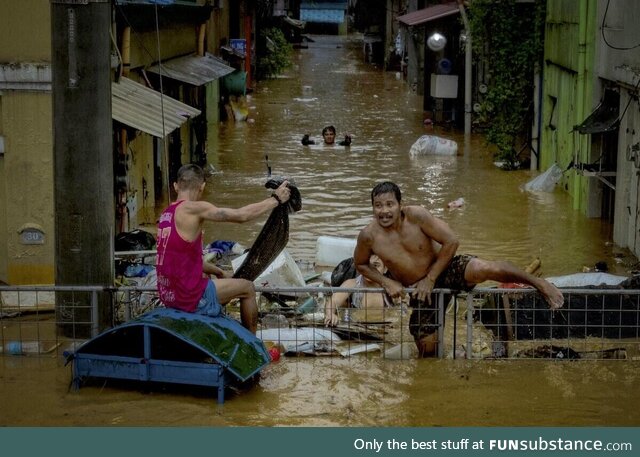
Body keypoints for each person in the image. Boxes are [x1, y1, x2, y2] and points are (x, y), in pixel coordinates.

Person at [353, 181, 565, 357]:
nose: (384, 211)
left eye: (389, 204)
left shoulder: (416, 216)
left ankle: (539, 283)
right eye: (378, 206)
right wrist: (386, 281)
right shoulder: (368, 236)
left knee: (484, 268)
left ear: (400, 204)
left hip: (443, 268)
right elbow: (360, 264)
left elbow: (451, 241)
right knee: (427, 350)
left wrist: (431, 277)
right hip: (420, 290)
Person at [156, 163, 291, 334]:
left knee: (216, 279)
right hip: (188, 297)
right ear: (202, 187)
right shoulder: (194, 209)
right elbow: (241, 216)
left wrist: (219, 272)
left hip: (168, 295)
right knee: (247, 288)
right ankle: (251, 343)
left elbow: (190, 259)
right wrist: (275, 199)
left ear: (176, 186)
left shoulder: (166, 214)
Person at [324, 254, 394, 326]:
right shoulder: (352, 284)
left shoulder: (391, 289)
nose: (370, 270)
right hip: (357, 330)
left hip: (383, 329)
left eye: (376, 266)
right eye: (367, 265)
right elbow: (333, 301)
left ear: (385, 269)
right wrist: (330, 314)